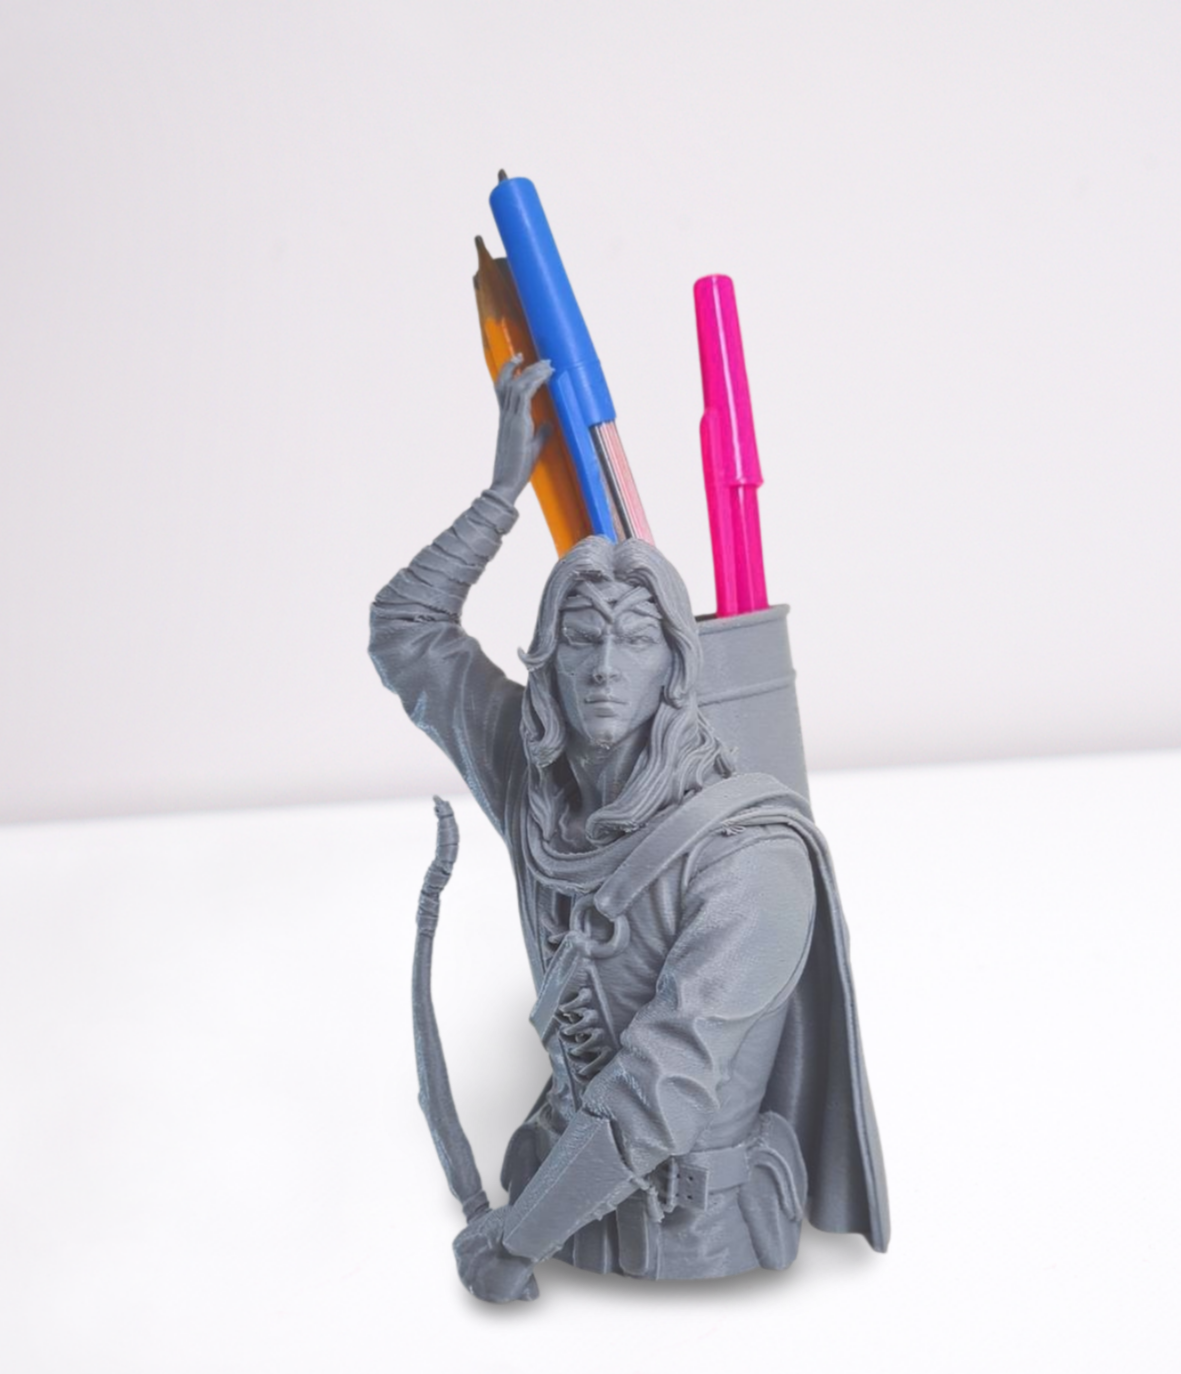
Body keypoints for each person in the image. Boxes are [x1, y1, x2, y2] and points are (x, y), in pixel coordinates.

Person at [370, 358, 887, 1301]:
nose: (605, 665)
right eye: (581, 637)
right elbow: (406, 629)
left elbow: (660, 1091)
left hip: (701, 1238)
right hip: (558, 1188)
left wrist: (515, 1238)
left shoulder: (750, 858)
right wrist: (500, 496)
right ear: (549, 661)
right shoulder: (534, 775)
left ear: (675, 668)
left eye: (637, 638)